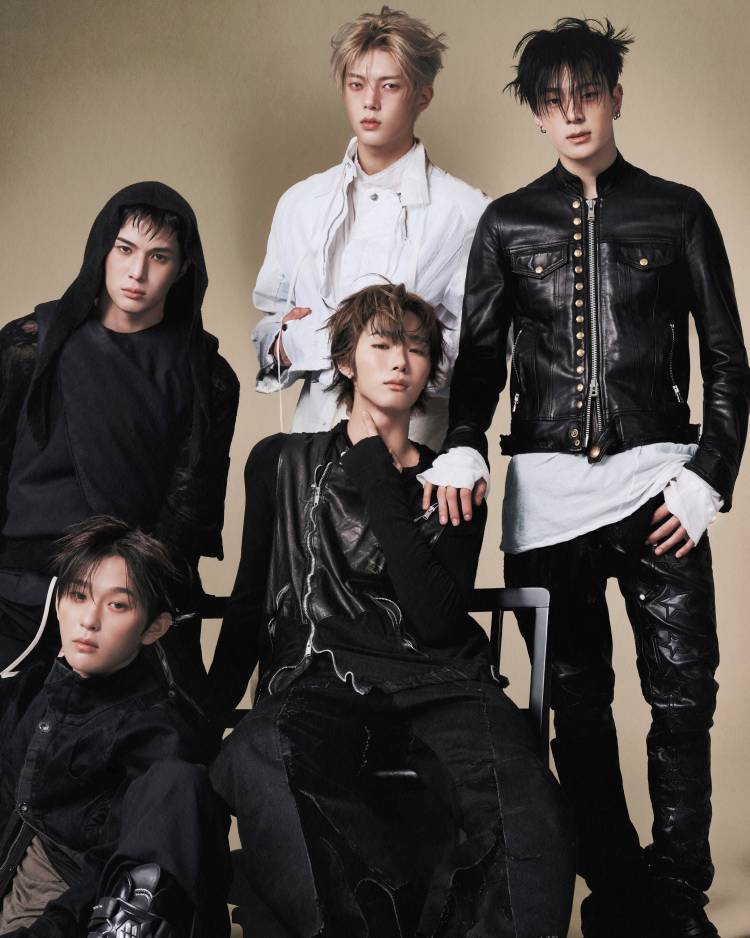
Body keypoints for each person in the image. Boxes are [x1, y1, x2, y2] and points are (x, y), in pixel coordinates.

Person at [420, 17, 750, 938]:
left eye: (588, 95)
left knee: (683, 696)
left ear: (616, 98)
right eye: (554, 101)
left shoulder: (679, 212)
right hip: (549, 500)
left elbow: (728, 359)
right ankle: (616, 889)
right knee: (577, 702)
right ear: (536, 114)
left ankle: (677, 898)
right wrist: (462, 444)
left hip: (659, 487)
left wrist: (708, 475)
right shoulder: (507, 223)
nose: (573, 115)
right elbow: (478, 366)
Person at [209, 283, 575, 938]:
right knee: (258, 756)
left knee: (523, 793)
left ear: (431, 368)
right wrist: (204, 715)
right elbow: (247, 600)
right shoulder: (280, 463)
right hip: (321, 674)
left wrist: (377, 466)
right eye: (381, 344)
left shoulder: (453, 482)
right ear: (346, 361)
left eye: (416, 347)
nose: (401, 360)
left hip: (440, 682)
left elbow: (434, 621)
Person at [0, 181, 240, 696]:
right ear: (101, 250)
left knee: (171, 733)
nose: (137, 272)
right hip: (19, 591)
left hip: (132, 594)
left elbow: (188, 513)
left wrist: (129, 594)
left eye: (159, 256)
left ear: (182, 268)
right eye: (125, 249)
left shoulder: (208, 376)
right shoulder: (28, 345)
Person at [251, 5, 489, 449]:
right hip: (313, 443)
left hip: (413, 449)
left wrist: (334, 345)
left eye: (390, 85)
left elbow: (478, 350)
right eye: (356, 84)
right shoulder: (300, 204)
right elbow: (272, 323)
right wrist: (284, 342)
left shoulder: (465, 212)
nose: (370, 102)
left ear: (422, 96)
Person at [0, 517, 230, 937]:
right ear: (58, 604)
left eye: (117, 605)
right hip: (10, 879)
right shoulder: (28, 691)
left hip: (67, 912)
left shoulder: (157, 735)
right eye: (78, 596)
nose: (89, 620)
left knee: (179, 783)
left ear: (154, 628)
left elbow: (103, 870)